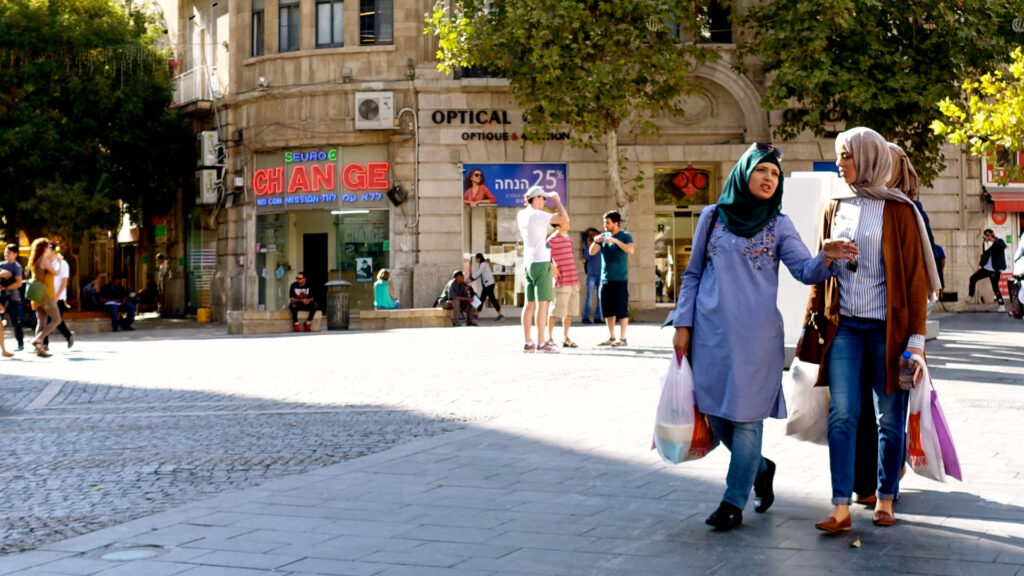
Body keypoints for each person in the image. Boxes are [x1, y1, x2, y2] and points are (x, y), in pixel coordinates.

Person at [671, 143, 856, 532]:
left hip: (757, 340)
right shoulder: (712, 217)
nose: (769, 179)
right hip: (710, 336)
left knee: (747, 421)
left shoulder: (779, 224)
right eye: (763, 171)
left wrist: (826, 256)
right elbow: (691, 277)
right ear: (744, 173)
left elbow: (805, 271)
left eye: (775, 175)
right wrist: (682, 325)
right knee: (717, 414)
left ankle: (732, 502)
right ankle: (760, 468)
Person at [802, 127, 940, 533]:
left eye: (847, 156)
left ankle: (884, 498)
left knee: (890, 418)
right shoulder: (835, 205)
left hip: (888, 330)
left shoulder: (901, 210)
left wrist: (915, 343)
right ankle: (841, 506)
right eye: (840, 156)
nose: (840, 163)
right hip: (844, 326)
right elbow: (820, 270)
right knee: (842, 415)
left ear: (870, 158)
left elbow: (916, 279)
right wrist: (829, 257)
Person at [517, 185, 568, 352]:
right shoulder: (538, 215)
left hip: (528, 263)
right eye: (543, 198)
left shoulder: (522, 214)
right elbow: (564, 220)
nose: (545, 201)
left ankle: (528, 342)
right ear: (536, 198)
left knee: (529, 304)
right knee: (543, 304)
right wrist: (557, 201)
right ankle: (541, 342)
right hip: (541, 262)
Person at [590, 210, 634, 347]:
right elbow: (592, 252)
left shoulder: (625, 236)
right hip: (605, 279)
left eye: (607, 223)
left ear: (616, 223)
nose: (605, 225)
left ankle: (622, 338)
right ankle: (612, 336)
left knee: (621, 309)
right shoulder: (603, 236)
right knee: (608, 310)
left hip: (620, 279)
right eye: (604, 222)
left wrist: (615, 240)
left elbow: (630, 250)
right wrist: (595, 241)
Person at [546, 222, 581, 348]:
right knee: (555, 311)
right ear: (557, 226)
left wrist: (577, 280)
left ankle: (566, 338)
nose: (568, 223)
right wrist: (552, 267)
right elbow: (543, 256)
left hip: (572, 281)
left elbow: (571, 260)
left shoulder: (569, 239)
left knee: (569, 311)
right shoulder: (551, 240)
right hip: (561, 281)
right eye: (565, 222)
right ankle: (549, 338)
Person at [27, 238, 61, 356]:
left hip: (37, 296)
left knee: (41, 323)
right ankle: (39, 339)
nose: (49, 248)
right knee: (57, 320)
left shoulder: (36, 260)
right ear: (44, 248)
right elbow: (55, 272)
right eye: (47, 246)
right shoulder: (44, 260)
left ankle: (39, 349)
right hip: (46, 295)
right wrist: (60, 262)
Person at [967, 229, 1007, 308]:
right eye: (986, 235)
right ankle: (970, 296)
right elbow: (986, 254)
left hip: (995, 270)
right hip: (986, 269)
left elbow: (1003, 246)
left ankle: (1002, 305)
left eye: (988, 235)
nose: (987, 237)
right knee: (973, 278)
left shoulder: (999, 241)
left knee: (995, 288)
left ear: (992, 234)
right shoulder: (987, 244)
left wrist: (993, 239)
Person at [43, 249, 75, 349]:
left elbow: (64, 281)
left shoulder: (63, 263)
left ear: (52, 251)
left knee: (56, 320)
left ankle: (68, 336)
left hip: (58, 297)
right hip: (47, 296)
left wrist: (57, 296)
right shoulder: (46, 262)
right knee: (46, 320)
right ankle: (45, 343)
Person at [0, 244, 25, 352]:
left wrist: (5, 287)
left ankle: (20, 343)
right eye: (6, 252)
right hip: (1, 298)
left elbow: (19, 283)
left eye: (9, 252)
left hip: (12, 298)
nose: (6, 254)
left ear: (15, 254)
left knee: (15, 321)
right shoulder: (1, 264)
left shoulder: (17, 267)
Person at [469, 253, 503, 320]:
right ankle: (477, 315)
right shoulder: (483, 264)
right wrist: (472, 279)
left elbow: (479, 272)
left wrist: (471, 279)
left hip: (488, 285)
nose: (476, 260)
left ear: (479, 258)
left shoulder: (483, 264)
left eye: (476, 258)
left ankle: (500, 315)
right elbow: (480, 274)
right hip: (488, 285)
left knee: (488, 299)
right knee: (484, 299)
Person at [581, 227, 603, 324]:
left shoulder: (601, 245)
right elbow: (587, 257)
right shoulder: (587, 246)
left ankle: (598, 317)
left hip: (601, 274)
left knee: (600, 297)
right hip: (591, 274)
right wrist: (589, 245)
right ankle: (586, 317)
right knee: (589, 297)